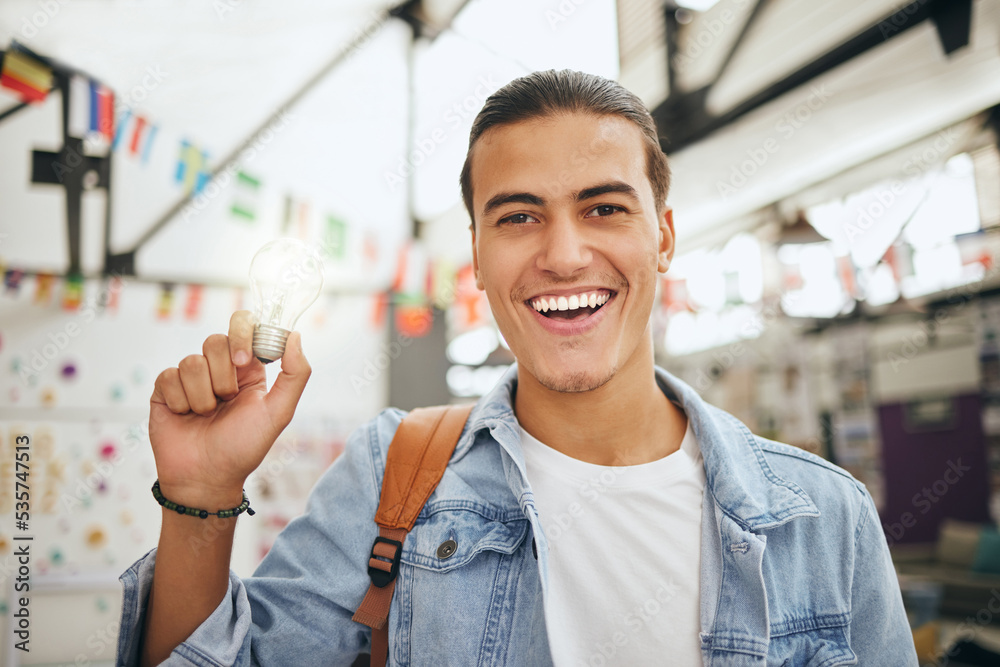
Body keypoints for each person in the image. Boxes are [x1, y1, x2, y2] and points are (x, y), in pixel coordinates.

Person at [118, 70, 918, 666]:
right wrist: (200, 497)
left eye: (604, 207)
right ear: (476, 252)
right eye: (519, 215)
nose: (565, 255)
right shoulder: (392, 476)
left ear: (664, 235)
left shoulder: (825, 520)